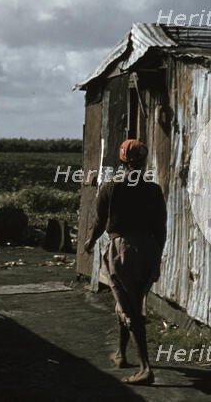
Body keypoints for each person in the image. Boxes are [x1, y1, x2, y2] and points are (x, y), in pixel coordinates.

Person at [85, 139, 167, 386]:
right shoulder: (153, 189)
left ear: (122, 160)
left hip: (123, 250)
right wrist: (157, 257)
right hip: (148, 249)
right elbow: (161, 228)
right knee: (130, 300)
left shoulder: (111, 187)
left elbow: (100, 223)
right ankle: (122, 354)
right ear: (143, 160)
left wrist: (89, 242)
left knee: (129, 308)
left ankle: (145, 369)